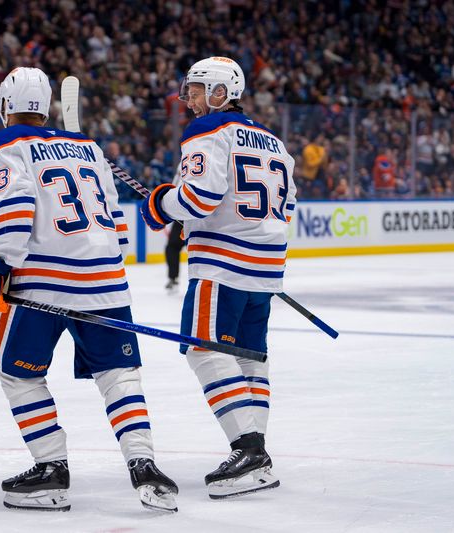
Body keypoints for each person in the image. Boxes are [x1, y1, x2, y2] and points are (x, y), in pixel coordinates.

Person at [0, 67, 178, 513]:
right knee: (118, 377)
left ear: (6, 106)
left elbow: (14, 210)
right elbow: (114, 217)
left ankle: (51, 470)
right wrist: (109, 264)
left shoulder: (4, 144)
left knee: (18, 372)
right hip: (105, 279)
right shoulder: (89, 148)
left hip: (44, 285)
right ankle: (143, 465)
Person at [140, 57, 296, 499]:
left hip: (222, 266)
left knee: (203, 349)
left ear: (221, 92)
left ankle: (248, 451)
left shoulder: (207, 132)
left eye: (195, 89)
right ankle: (255, 452)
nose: (187, 98)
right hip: (265, 267)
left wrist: (160, 204)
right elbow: (289, 204)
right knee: (250, 358)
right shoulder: (274, 142)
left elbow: (198, 199)